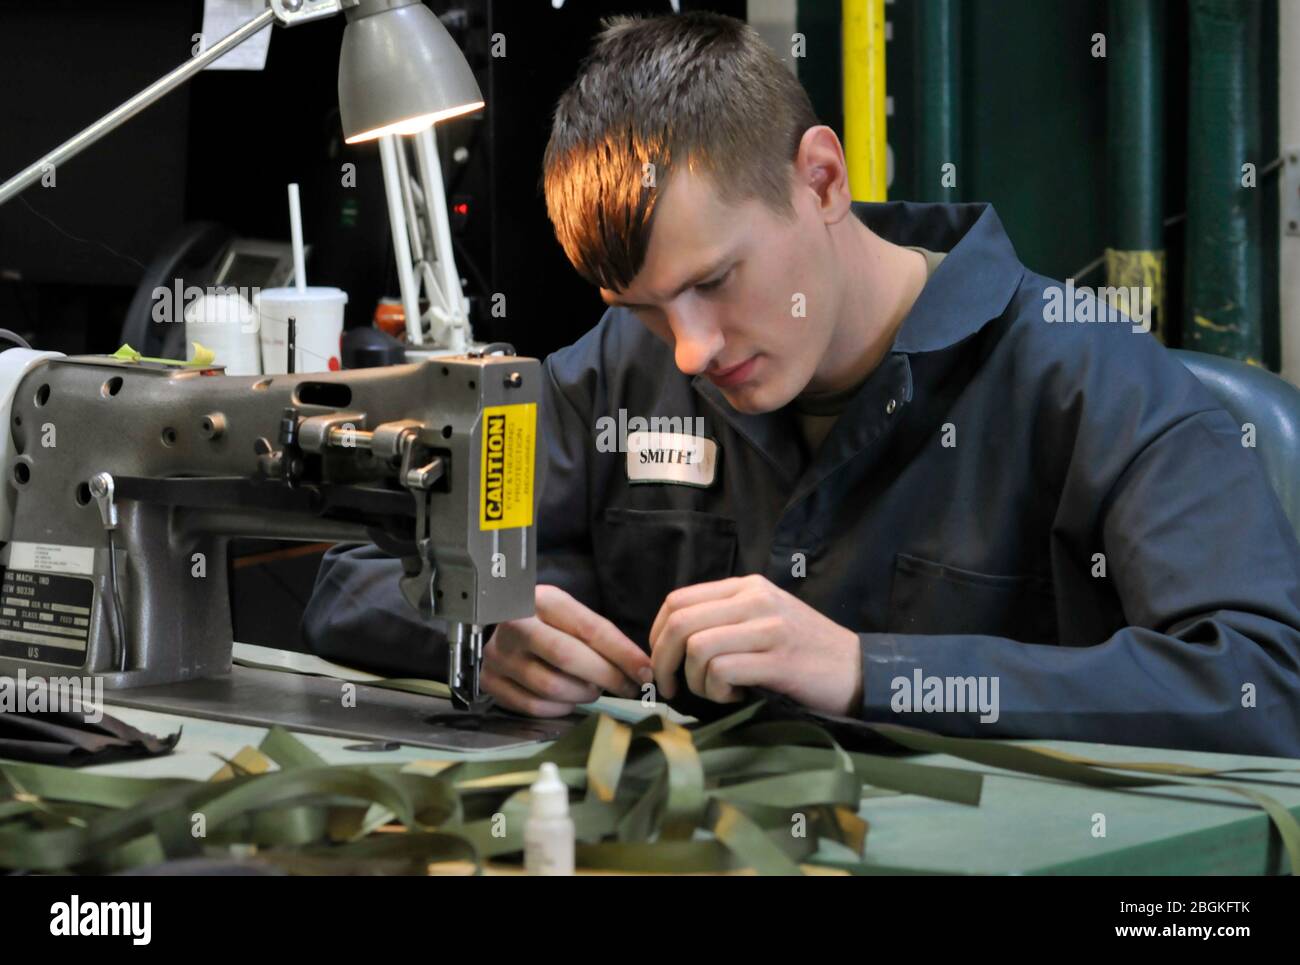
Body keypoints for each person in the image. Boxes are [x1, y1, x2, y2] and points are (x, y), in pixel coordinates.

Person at [304, 12, 1300, 757]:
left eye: (712, 282)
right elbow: (350, 572)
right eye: (646, 304)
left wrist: (871, 671)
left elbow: (1264, 681)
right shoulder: (620, 367)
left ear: (821, 179)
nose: (688, 352)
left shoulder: (1084, 376)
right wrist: (472, 629)